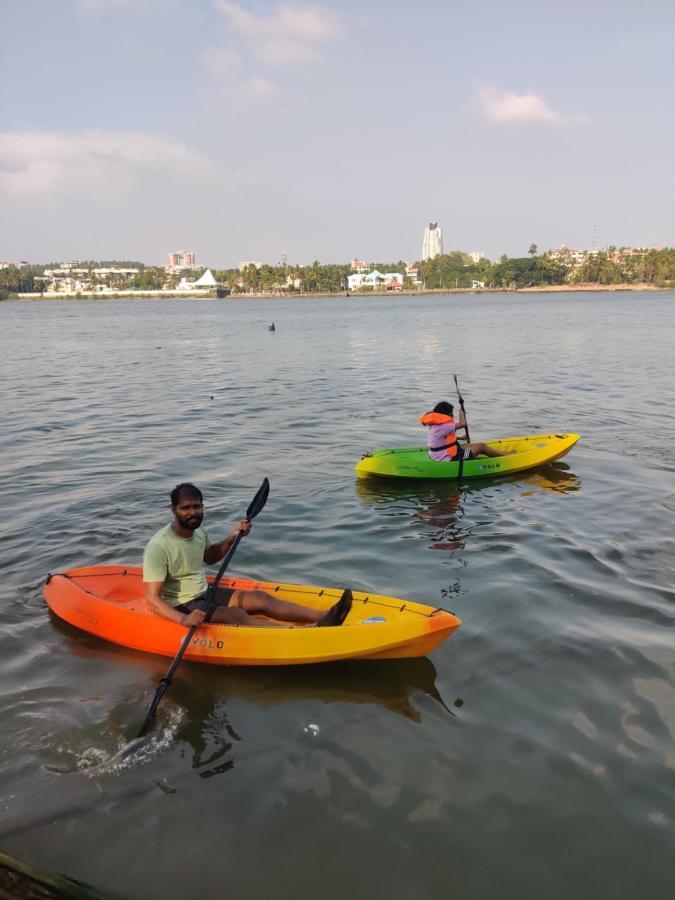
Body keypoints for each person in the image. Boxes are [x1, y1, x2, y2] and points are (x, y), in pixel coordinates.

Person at [143, 482, 351, 628]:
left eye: (197, 506)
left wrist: (232, 537)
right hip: (182, 603)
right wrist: (183, 620)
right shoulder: (159, 546)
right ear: (173, 510)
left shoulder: (198, 532)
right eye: (185, 508)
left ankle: (325, 616)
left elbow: (210, 557)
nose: (193, 512)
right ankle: (304, 632)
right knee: (236, 615)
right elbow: (152, 599)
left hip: (205, 591)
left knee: (261, 599)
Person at [419, 401, 514, 462]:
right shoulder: (443, 426)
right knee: (481, 446)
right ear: (446, 414)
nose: (452, 416)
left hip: (437, 454)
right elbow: (462, 424)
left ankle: (502, 453)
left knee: (470, 445)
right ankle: (508, 456)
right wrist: (461, 413)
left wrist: (460, 438)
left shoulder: (436, 425)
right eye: (451, 414)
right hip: (447, 458)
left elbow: (442, 440)